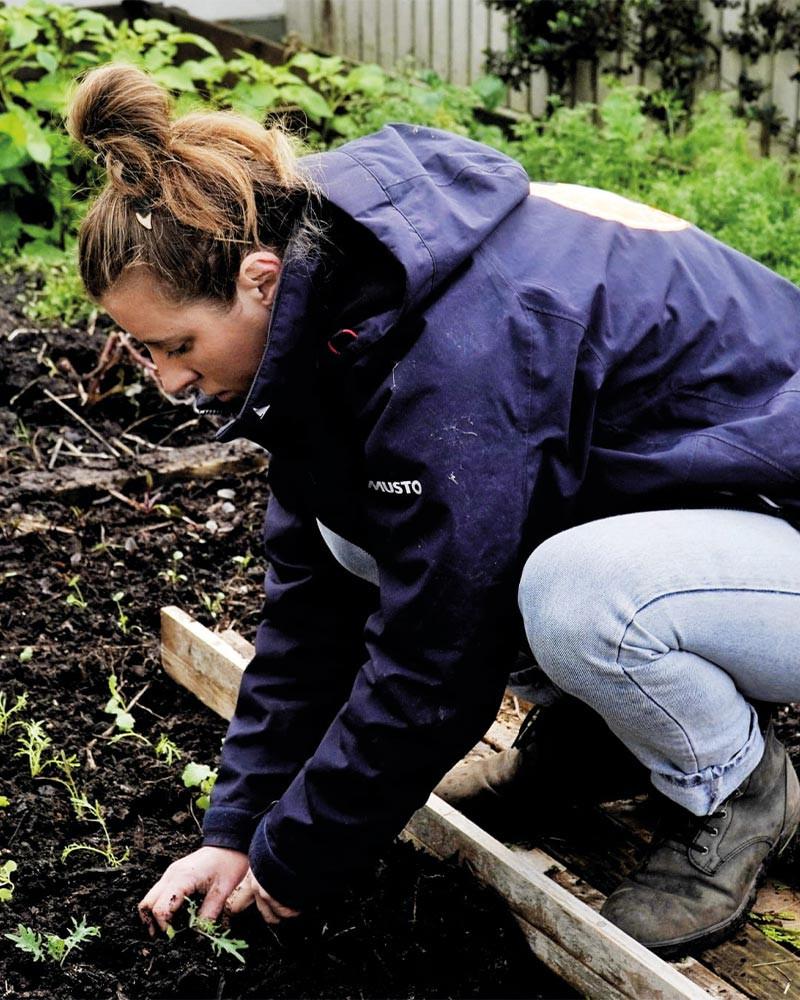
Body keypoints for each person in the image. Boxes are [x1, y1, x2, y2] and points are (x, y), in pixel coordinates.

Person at [66, 62, 800, 958]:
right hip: (708, 513)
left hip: (778, 519)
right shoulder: (332, 290)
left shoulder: (459, 340)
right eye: (145, 353)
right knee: (355, 536)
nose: (169, 379)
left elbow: (438, 659)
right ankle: (600, 742)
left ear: (261, 280)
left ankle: (736, 786)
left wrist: (296, 860)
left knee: (579, 596)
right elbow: (310, 607)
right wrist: (236, 829)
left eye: (175, 345)